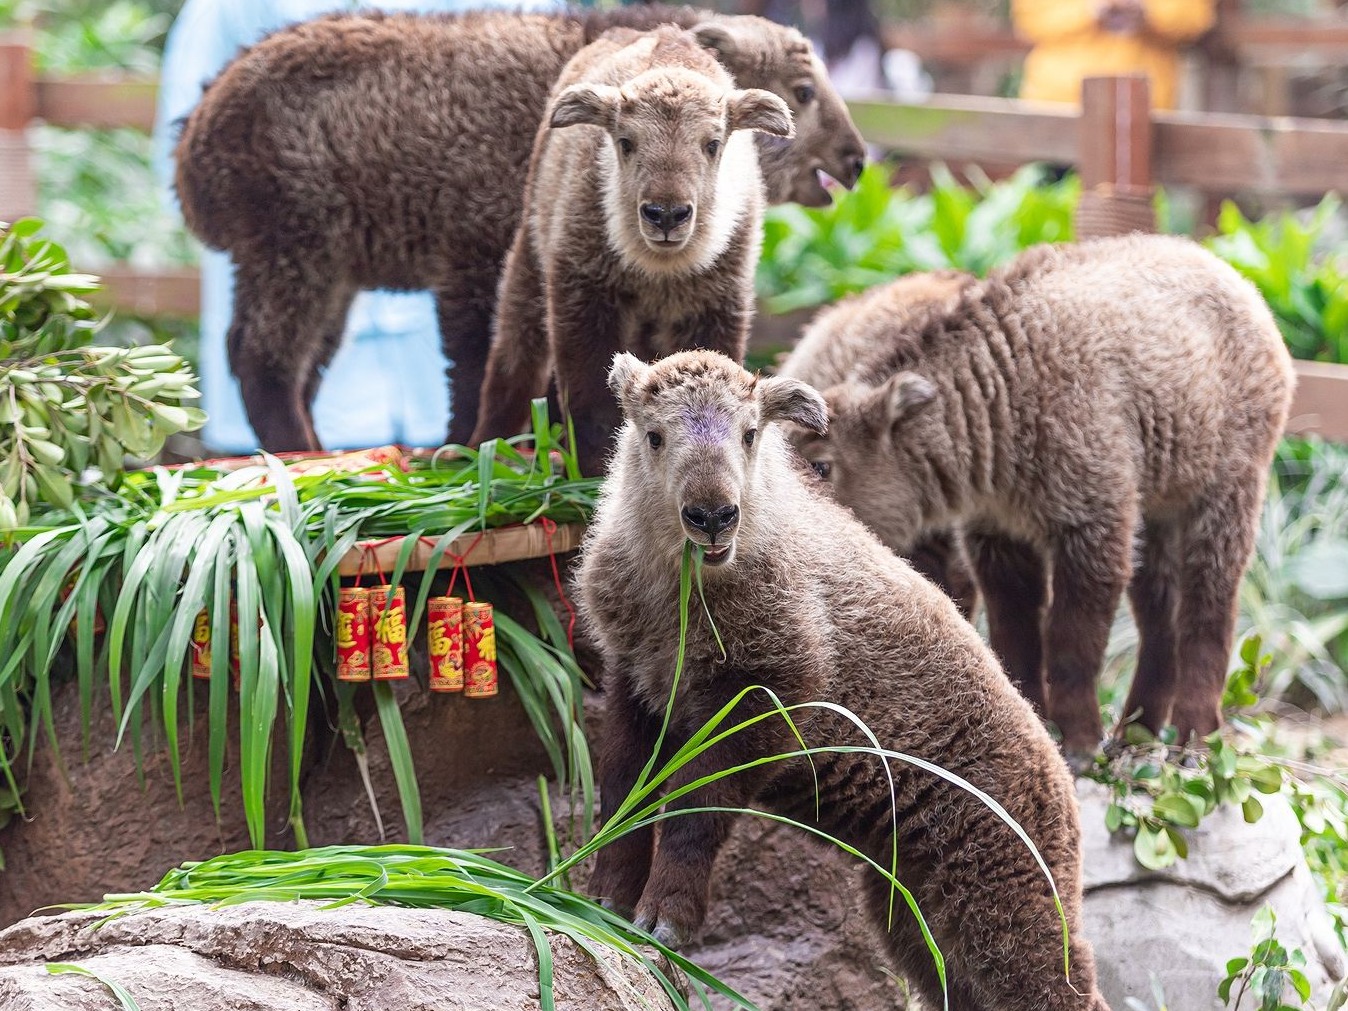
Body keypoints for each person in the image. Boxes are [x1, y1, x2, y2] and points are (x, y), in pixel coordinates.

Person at [153, 0, 554, 454]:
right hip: (284, 430)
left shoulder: (516, 20)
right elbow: (198, 158)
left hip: (441, 410)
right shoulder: (232, 11)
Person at [1012, 0, 1216, 111]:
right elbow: (1030, 20)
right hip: (1060, 101)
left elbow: (1197, 18)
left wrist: (1149, 12)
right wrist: (1089, 9)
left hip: (1144, 104)